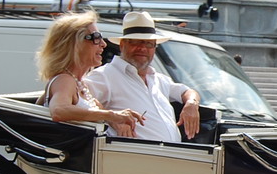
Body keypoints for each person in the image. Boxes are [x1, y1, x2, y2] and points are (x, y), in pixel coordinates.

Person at [85, 11, 202, 143]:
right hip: (131, 158)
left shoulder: (158, 79)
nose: (142, 48)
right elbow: (83, 99)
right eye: (136, 42)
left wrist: (191, 104)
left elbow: (187, 92)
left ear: (154, 48)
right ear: (123, 45)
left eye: (148, 44)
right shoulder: (104, 75)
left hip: (169, 157)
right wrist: (113, 119)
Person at [35, 10, 143, 135]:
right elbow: (59, 110)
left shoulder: (80, 84)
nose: (103, 44)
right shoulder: (64, 80)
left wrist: (116, 122)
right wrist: (112, 115)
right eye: (96, 38)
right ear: (75, 44)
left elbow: (98, 110)